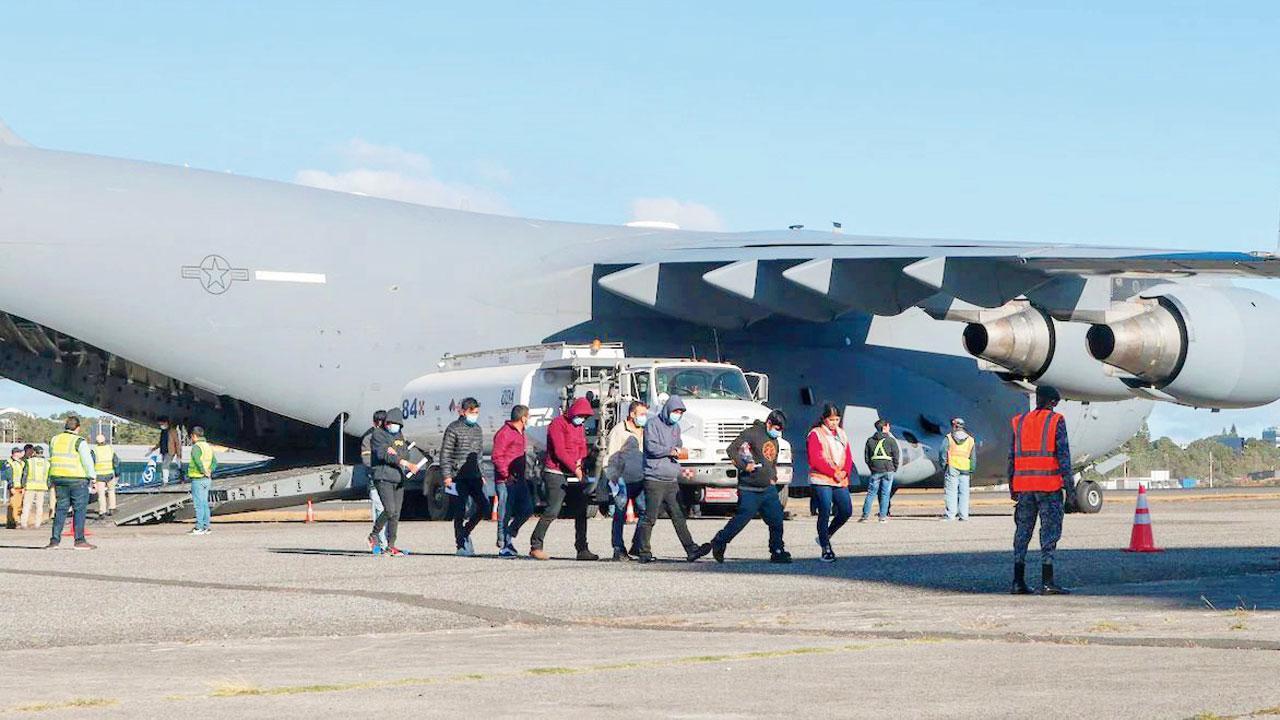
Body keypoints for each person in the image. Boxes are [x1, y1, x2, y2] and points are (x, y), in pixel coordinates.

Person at [1009, 386, 1076, 595]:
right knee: (1049, 534)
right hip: (1048, 487)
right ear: (1053, 402)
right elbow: (1064, 457)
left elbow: (1011, 457)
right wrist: (1070, 490)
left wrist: (1012, 485)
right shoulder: (1056, 421)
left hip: (1024, 487)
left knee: (1022, 534)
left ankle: (1017, 582)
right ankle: (1047, 583)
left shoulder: (1019, 422)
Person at [636, 396, 711, 564]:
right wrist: (671, 451)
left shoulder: (676, 427)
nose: (677, 415)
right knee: (650, 517)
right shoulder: (652, 424)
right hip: (654, 478)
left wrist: (681, 451)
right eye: (675, 411)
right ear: (668, 410)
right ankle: (644, 552)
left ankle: (691, 549)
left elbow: (678, 444)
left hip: (671, 478)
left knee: (678, 516)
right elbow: (651, 448)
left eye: (680, 412)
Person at [709, 410, 790, 563]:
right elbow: (731, 450)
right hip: (749, 488)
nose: (778, 433)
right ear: (769, 424)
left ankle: (777, 549)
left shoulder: (775, 440)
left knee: (777, 519)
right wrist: (743, 466)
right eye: (776, 429)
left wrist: (773, 476)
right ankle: (720, 541)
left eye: (781, 430)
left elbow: (772, 460)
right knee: (741, 519)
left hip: (767, 488)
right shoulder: (752, 433)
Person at [529, 397, 598, 561]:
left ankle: (582, 549)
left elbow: (582, 447)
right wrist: (575, 469)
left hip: (574, 474)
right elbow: (559, 451)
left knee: (581, 510)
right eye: (581, 415)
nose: (582, 419)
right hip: (555, 472)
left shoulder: (579, 427)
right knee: (553, 510)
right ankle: (536, 545)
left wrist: (580, 463)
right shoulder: (557, 424)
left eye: (585, 417)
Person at [441, 398, 488, 557]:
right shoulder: (453, 428)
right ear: (464, 412)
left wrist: (481, 473)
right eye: (472, 412)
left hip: (474, 476)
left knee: (484, 506)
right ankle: (460, 544)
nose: (475, 415)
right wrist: (447, 476)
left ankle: (466, 532)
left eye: (477, 413)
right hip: (456, 477)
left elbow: (479, 455)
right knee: (459, 510)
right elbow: (445, 453)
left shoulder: (477, 429)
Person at [807, 404, 854, 562]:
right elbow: (815, 458)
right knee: (825, 510)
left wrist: (845, 472)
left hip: (840, 479)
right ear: (824, 419)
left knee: (846, 510)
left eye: (836, 419)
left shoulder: (842, 434)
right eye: (831, 419)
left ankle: (826, 534)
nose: (834, 422)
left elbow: (848, 456)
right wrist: (833, 472)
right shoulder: (816, 434)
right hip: (822, 479)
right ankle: (826, 548)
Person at [603, 400, 648, 561]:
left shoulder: (644, 430)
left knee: (645, 512)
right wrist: (612, 477)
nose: (644, 418)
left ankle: (637, 545)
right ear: (631, 414)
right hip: (622, 478)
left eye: (645, 415)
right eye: (641, 414)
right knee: (620, 513)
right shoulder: (619, 431)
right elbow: (612, 455)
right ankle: (618, 548)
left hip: (640, 477)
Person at [370, 408, 417, 556]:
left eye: (396, 423)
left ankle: (391, 545)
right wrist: (402, 460)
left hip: (398, 477)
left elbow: (405, 452)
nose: (393, 426)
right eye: (390, 423)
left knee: (396, 513)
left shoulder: (399, 435)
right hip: (383, 477)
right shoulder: (378, 434)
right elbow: (384, 455)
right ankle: (374, 534)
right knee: (389, 509)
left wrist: (397, 454)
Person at [46, 416, 97, 549]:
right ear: (78, 428)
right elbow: (87, 461)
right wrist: (92, 477)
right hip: (77, 479)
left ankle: (54, 541)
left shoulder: (55, 439)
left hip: (58, 478)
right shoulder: (79, 441)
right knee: (79, 510)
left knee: (61, 509)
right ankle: (79, 540)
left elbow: (51, 456)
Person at [492, 405, 535, 557]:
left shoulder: (521, 432)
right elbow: (497, 456)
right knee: (505, 511)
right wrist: (506, 475)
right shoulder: (504, 433)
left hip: (519, 479)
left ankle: (510, 534)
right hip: (506, 481)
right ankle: (503, 545)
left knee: (528, 509)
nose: (528, 419)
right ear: (523, 418)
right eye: (527, 416)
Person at [860, 419, 899, 523]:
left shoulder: (870, 440)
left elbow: (867, 457)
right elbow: (896, 455)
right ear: (885, 427)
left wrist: (872, 467)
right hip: (888, 469)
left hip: (875, 470)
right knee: (885, 493)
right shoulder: (891, 440)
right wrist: (895, 467)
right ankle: (882, 517)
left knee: (871, 493)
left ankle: (865, 516)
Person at [360, 410, 388, 553]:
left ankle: (387, 543)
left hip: (389, 479)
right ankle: (380, 543)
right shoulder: (368, 438)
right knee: (379, 510)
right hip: (375, 479)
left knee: (389, 511)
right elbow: (366, 459)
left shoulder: (390, 436)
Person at [941, 418, 976, 522]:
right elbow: (973, 457)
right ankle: (964, 515)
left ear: (954, 426)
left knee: (951, 492)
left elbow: (942, 453)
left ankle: (950, 515)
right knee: (964, 493)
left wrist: (944, 466)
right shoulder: (970, 440)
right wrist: (972, 469)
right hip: (965, 468)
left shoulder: (949, 438)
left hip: (952, 467)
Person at [187, 426, 217, 535]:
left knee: (198, 504)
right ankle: (206, 527)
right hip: (207, 479)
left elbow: (197, 461)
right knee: (204, 503)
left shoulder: (196, 447)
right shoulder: (208, 446)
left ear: (194, 436)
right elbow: (214, 462)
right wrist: (209, 471)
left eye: (191, 437)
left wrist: (203, 471)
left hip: (198, 478)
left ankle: (199, 527)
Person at [146, 417, 182, 485]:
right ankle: (168, 478)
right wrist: (153, 449)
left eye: (161, 424)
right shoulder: (163, 431)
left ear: (166, 423)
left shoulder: (172, 431)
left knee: (165, 465)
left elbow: (177, 443)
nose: (160, 426)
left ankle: (165, 481)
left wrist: (179, 454)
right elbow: (160, 442)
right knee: (165, 466)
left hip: (170, 451)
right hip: (163, 452)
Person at [92, 433, 120, 518]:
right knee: (111, 491)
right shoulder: (110, 449)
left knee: (101, 494)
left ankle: (102, 512)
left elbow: (91, 463)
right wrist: (117, 473)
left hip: (99, 475)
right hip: (110, 474)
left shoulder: (94, 450)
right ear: (105, 441)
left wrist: (92, 477)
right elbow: (116, 462)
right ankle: (112, 508)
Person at [19, 446, 48, 529]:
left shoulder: (29, 462)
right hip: (42, 487)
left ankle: (23, 523)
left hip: (30, 486)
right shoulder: (47, 463)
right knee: (40, 506)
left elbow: (25, 474)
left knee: (27, 505)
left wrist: (23, 485)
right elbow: (49, 476)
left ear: (34, 452)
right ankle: (37, 524)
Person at [3, 446, 26, 529]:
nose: (21, 454)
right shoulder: (9, 462)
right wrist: (11, 486)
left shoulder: (22, 462)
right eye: (19, 452)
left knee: (15, 505)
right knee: (14, 505)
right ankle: (16, 521)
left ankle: (10, 522)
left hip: (20, 486)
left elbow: (23, 475)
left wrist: (23, 486)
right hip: (14, 487)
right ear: (15, 453)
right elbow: (9, 475)